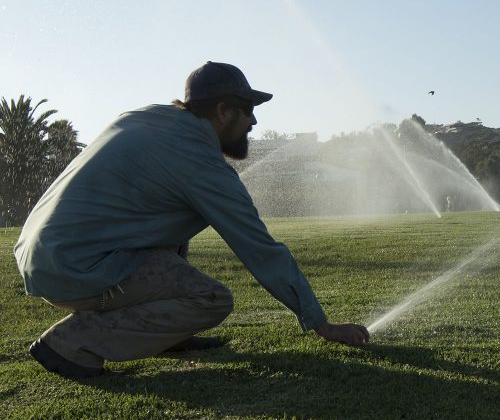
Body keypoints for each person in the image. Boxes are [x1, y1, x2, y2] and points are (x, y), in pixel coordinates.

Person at [14, 62, 369, 379]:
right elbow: (262, 250)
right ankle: (71, 343)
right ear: (222, 110)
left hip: (43, 256)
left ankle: (169, 336)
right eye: (248, 110)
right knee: (211, 298)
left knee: (175, 224)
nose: (254, 121)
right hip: (79, 268)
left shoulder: (147, 117)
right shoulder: (200, 163)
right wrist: (323, 325)